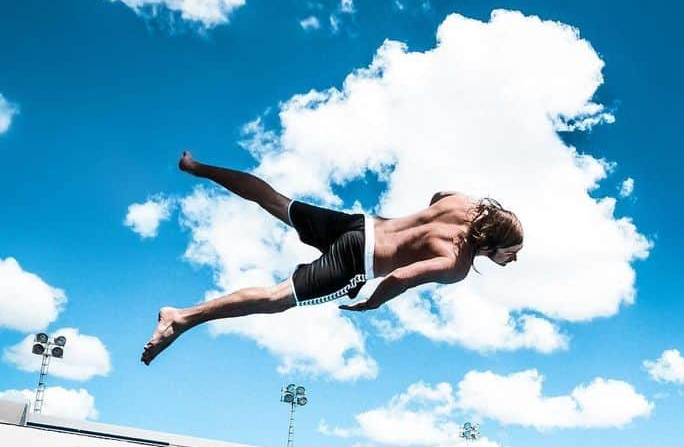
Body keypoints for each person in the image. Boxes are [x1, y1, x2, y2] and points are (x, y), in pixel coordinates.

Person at [141, 153, 524, 364]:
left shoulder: (464, 205)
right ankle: (182, 318)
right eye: (513, 254)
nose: (513, 262)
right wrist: (371, 302)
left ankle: (197, 167)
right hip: (359, 261)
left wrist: (421, 232)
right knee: (277, 299)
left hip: (361, 224)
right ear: (495, 244)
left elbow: (438, 195)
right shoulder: (456, 265)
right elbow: (402, 277)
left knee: (276, 201)